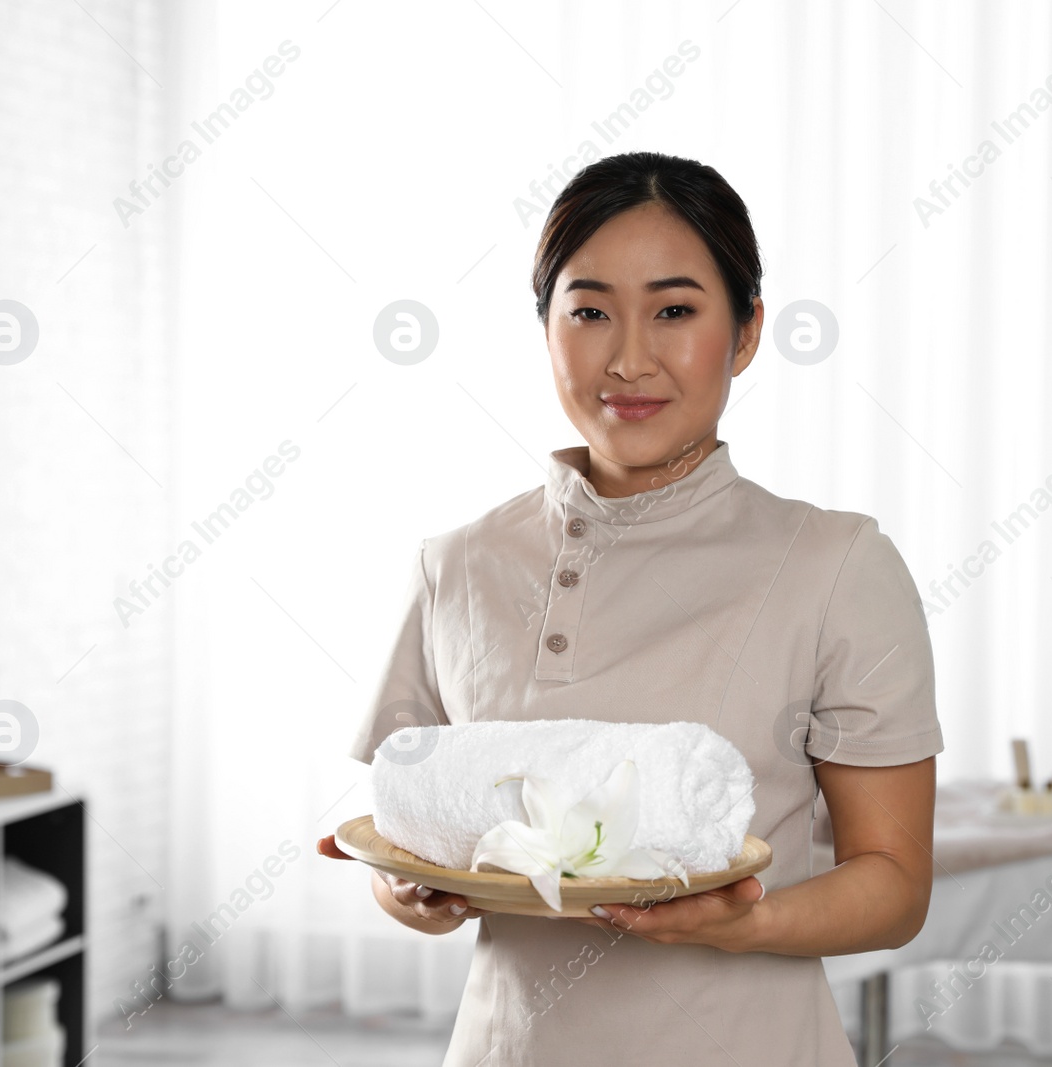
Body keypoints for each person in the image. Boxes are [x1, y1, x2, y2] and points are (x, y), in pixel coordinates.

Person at [318, 150, 942, 1066]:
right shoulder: (455, 564)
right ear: (547, 328)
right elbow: (409, 839)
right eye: (591, 311)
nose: (628, 357)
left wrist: (736, 926)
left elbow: (894, 885)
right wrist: (411, 894)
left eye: (676, 311)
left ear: (747, 331)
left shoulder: (837, 565)